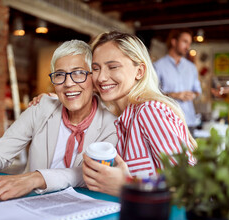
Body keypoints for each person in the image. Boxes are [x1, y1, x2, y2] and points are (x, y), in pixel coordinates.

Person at [0, 40, 117, 201]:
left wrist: (36, 178)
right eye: (59, 75)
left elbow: (89, 174)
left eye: (79, 73)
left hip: (82, 209)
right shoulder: (42, 107)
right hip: (32, 203)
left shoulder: (112, 125)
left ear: (93, 79)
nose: (68, 83)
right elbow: (0, 152)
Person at [82, 31, 197, 196]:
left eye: (113, 67)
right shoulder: (118, 118)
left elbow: (188, 186)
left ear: (140, 71)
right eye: (96, 68)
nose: (101, 77)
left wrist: (126, 186)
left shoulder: (149, 111)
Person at [153, 29, 202, 134]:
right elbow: (152, 93)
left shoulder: (192, 67)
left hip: (189, 121)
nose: (188, 47)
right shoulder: (158, 66)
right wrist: (173, 95)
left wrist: (193, 95)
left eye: (189, 43)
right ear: (174, 42)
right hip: (167, 123)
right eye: (184, 42)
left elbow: (198, 91)